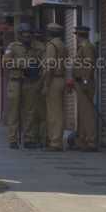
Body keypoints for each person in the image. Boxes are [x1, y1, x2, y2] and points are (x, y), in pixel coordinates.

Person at [2, 23, 32, 149]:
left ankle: (28, 138)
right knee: (13, 111)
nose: (27, 36)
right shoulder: (12, 46)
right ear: (19, 35)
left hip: (28, 82)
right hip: (15, 81)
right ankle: (13, 139)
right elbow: (5, 62)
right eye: (24, 34)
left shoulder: (32, 47)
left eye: (28, 34)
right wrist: (22, 64)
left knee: (28, 111)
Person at [68, 25, 97, 151]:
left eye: (77, 35)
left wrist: (85, 82)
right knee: (82, 113)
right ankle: (82, 141)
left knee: (87, 113)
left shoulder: (86, 47)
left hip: (85, 83)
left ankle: (91, 142)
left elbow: (89, 65)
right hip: (81, 83)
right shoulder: (84, 47)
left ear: (78, 36)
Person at [42, 23, 67, 151]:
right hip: (61, 79)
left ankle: (55, 142)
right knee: (59, 111)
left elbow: (50, 66)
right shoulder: (63, 45)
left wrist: (46, 84)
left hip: (53, 80)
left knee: (54, 113)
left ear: (50, 33)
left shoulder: (52, 45)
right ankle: (55, 140)